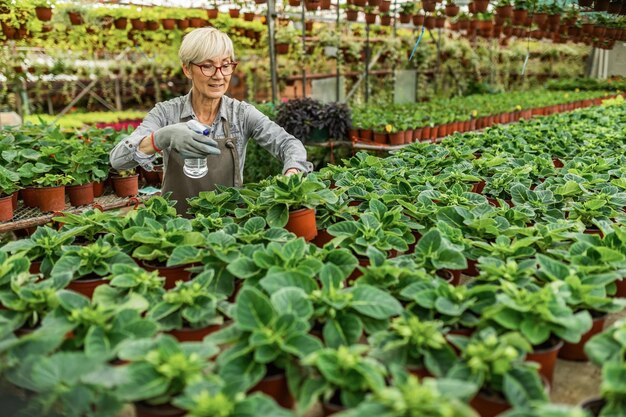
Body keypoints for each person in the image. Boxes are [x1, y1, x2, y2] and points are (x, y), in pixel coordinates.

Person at [109, 27, 312, 215]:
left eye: (225, 65)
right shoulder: (166, 113)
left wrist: (292, 172)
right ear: (187, 69)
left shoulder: (241, 114)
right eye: (207, 66)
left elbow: (288, 144)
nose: (219, 76)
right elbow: (118, 160)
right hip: (176, 227)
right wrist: (160, 138)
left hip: (228, 224)